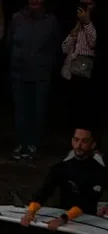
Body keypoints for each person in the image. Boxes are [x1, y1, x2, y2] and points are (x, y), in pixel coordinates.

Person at [8, 0, 59, 160]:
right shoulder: (17, 18)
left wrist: (47, 65)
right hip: (19, 74)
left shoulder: (51, 21)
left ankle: (33, 144)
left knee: (38, 111)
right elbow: (9, 44)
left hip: (41, 75)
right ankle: (21, 143)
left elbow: (57, 46)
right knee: (21, 111)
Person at [61, 1, 97, 134]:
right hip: (71, 72)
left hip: (85, 74)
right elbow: (64, 48)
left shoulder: (92, 26)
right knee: (72, 108)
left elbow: (93, 42)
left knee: (84, 109)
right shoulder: (74, 26)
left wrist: (87, 23)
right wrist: (73, 32)